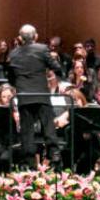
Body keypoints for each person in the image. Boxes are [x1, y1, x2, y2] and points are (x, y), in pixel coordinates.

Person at [7, 24, 63, 168]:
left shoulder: (13, 54)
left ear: (20, 38)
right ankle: (54, 153)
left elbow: (11, 78)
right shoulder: (42, 49)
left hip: (24, 96)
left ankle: (29, 163)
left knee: (27, 131)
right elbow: (56, 67)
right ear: (35, 36)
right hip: (41, 94)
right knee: (48, 125)